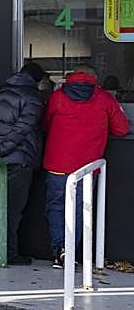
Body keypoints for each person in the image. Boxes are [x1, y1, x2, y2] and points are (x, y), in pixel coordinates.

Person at [42, 63, 130, 267]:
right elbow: (121, 129)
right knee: (81, 208)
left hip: (57, 163)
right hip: (87, 167)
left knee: (56, 206)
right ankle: (71, 251)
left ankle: (60, 249)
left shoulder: (58, 97)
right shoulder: (105, 98)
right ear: (94, 78)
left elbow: (45, 124)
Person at [0, 62, 47, 265]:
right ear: (38, 80)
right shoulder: (33, 98)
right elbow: (23, 128)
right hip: (18, 159)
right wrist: (1, 149)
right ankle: (6, 253)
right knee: (12, 209)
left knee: (1, 206)